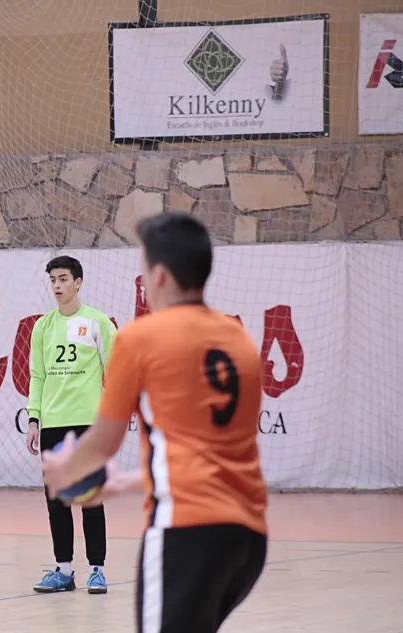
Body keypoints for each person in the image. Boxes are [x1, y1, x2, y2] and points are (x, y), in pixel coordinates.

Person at [42, 212, 268, 633]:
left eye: (144, 270)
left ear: (160, 275)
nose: (143, 281)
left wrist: (64, 470)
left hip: (185, 531)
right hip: (249, 536)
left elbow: (103, 444)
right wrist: (127, 483)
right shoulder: (239, 340)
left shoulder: (141, 338)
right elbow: (212, 458)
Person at [26, 255, 118, 595]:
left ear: (78, 282)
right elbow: (38, 376)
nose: (57, 285)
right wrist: (34, 418)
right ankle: (64, 570)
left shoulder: (97, 322)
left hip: (88, 424)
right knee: (57, 499)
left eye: (63, 279)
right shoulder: (42, 327)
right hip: (53, 423)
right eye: (53, 280)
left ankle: (97, 570)